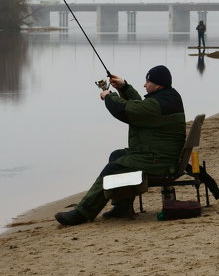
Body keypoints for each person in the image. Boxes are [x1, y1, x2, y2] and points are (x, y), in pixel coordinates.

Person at [55, 65, 187, 226]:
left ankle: (83, 212)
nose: (144, 85)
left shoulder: (158, 104)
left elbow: (126, 110)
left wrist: (108, 97)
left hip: (158, 160)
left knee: (113, 169)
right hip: (159, 154)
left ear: (158, 85)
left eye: (147, 81)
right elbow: (139, 105)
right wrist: (124, 87)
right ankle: (122, 207)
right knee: (117, 156)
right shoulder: (167, 98)